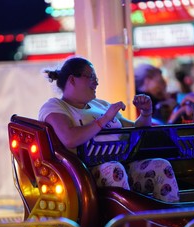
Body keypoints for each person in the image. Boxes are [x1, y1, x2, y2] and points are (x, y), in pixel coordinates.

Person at [38, 56, 179, 202]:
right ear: (72, 80)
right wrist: (104, 119)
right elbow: (69, 138)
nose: (96, 82)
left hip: (122, 165)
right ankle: (125, 223)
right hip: (84, 175)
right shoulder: (56, 106)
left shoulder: (100, 105)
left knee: (161, 166)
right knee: (114, 169)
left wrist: (146, 112)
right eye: (91, 76)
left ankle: (170, 221)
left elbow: (136, 130)